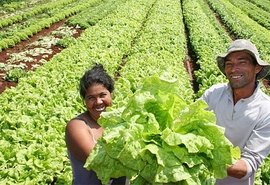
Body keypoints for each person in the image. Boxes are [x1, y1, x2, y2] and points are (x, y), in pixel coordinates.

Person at [201, 39, 270, 185]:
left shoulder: (266, 110)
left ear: (256, 68)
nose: (233, 69)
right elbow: (189, 124)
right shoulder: (213, 94)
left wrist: (201, 157)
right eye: (229, 64)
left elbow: (246, 167)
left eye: (242, 62)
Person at [65, 64, 127, 185]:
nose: (98, 102)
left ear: (111, 94)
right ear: (84, 101)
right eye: (91, 98)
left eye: (103, 95)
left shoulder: (119, 120)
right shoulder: (77, 126)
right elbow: (101, 164)